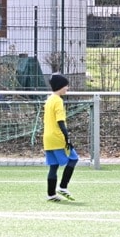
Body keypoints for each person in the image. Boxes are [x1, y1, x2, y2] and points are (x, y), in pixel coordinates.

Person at [43, 73, 80, 202]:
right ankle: (63, 186)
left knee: (53, 166)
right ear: (60, 86)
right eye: (66, 86)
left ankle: (51, 194)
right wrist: (67, 138)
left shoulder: (49, 99)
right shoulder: (58, 100)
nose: (67, 88)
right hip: (57, 137)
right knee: (74, 158)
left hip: (47, 138)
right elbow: (60, 121)